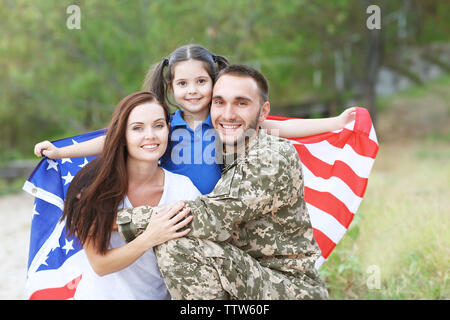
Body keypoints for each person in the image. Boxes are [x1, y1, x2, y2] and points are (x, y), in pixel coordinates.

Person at [117, 64, 329, 300]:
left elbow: (211, 217)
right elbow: (120, 136)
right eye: (219, 102)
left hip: (288, 287)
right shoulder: (220, 148)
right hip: (244, 276)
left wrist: (119, 219)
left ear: (263, 111)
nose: (228, 114)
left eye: (241, 103)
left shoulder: (271, 157)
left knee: (176, 246)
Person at [34, 44, 356, 195]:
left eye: (201, 82)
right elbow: (112, 139)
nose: (192, 91)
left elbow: (282, 126)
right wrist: (61, 152)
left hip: (221, 214)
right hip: (175, 214)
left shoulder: (228, 123)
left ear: (215, 80)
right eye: (183, 84)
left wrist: (335, 123)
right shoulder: (163, 125)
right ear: (171, 86)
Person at [61, 91, 201, 299]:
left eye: (158, 125)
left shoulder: (183, 188)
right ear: (123, 135)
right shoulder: (92, 187)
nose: (150, 135)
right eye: (137, 128)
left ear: (168, 130)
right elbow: (100, 264)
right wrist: (151, 236)